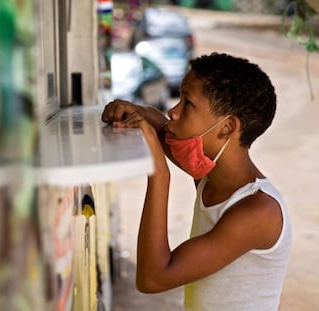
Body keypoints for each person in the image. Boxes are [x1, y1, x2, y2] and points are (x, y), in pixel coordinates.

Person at [102, 52, 292, 311]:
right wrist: (139, 112)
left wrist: (159, 174)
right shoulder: (211, 176)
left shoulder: (257, 212)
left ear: (226, 128)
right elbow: (163, 127)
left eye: (187, 103)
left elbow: (152, 278)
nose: (174, 111)